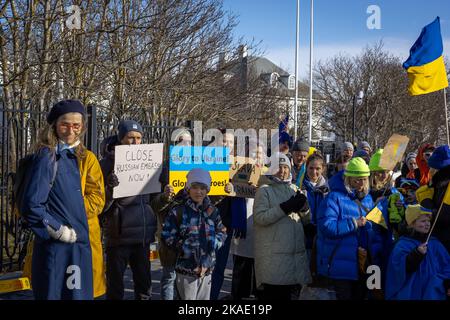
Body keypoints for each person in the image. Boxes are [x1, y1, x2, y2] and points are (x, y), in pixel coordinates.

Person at [21, 99, 94, 299]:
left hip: (75, 250)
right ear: (54, 125)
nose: (71, 130)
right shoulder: (48, 157)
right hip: (58, 250)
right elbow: (32, 205)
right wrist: (59, 231)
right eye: (65, 124)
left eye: (76, 125)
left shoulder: (72, 155)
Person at [100, 120, 157, 300]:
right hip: (118, 236)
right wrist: (110, 189)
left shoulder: (148, 162)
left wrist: (163, 187)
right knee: (115, 288)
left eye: (139, 138)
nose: (135, 142)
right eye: (130, 138)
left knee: (144, 286)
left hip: (142, 236)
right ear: (120, 138)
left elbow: (155, 201)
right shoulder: (106, 164)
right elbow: (100, 205)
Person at [161, 168, 227, 300]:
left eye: (203, 188)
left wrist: (214, 243)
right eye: (195, 187)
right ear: (188, 188)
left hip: (207, 270)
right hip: (186, 270)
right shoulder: (178, 210)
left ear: (207, 189)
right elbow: (167, 234)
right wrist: (184, 247)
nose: (199, 191)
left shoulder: (212, 211)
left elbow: (222, 231)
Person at [253, 152, 312, 300]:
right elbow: (260, 218)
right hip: (274, 259)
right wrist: (285, 207)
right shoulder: (264, 190)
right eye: (278, 167)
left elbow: (305, 220)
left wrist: (305, 209)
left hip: (294, 258)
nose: (282, 171)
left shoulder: (294, 188)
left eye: (285, 167)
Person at [316, 157, 373, 300]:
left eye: (364, 179)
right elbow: (326, 226)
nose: (361, 183)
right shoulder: (333, 197)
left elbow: (371, 230)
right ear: (348, 178)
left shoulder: (368, 199)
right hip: (339, 263)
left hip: (361, 263)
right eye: (357, 179)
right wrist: (354, 223)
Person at [385, 204, 450, 300]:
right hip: (411, 293)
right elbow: (397, 271)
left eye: (428, 221)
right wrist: (416, 254)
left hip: (433, 293)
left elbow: (447, 264)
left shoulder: (434, 243)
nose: (427, 224)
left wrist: (447, 282)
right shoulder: (402, 245)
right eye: (423, 221)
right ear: (411, 224)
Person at [151, 184, 189, 300]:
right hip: (169, 242)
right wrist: (165, 197)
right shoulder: (163, 178)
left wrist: (223, 192)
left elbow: (211, 200)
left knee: (184, 281)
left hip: (189, 243)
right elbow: (154, 205)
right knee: (170, 277)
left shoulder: (197, 188)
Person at [416, 144, 450, 253]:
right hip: (437, 239)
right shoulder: (438, 184)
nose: (429, 170)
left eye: (432, 168)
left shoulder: (446, 186)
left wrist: (426, 203)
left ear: (438, 169)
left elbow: (443, 215)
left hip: (445, 242)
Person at [301, 153, 329, 265]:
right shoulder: (300, 186)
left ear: (323, 169)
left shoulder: (328, 189)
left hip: (322, 236)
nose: (314, 172)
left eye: (318, 168)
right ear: (306, 167)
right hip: (303, 236)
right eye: (311, 168)